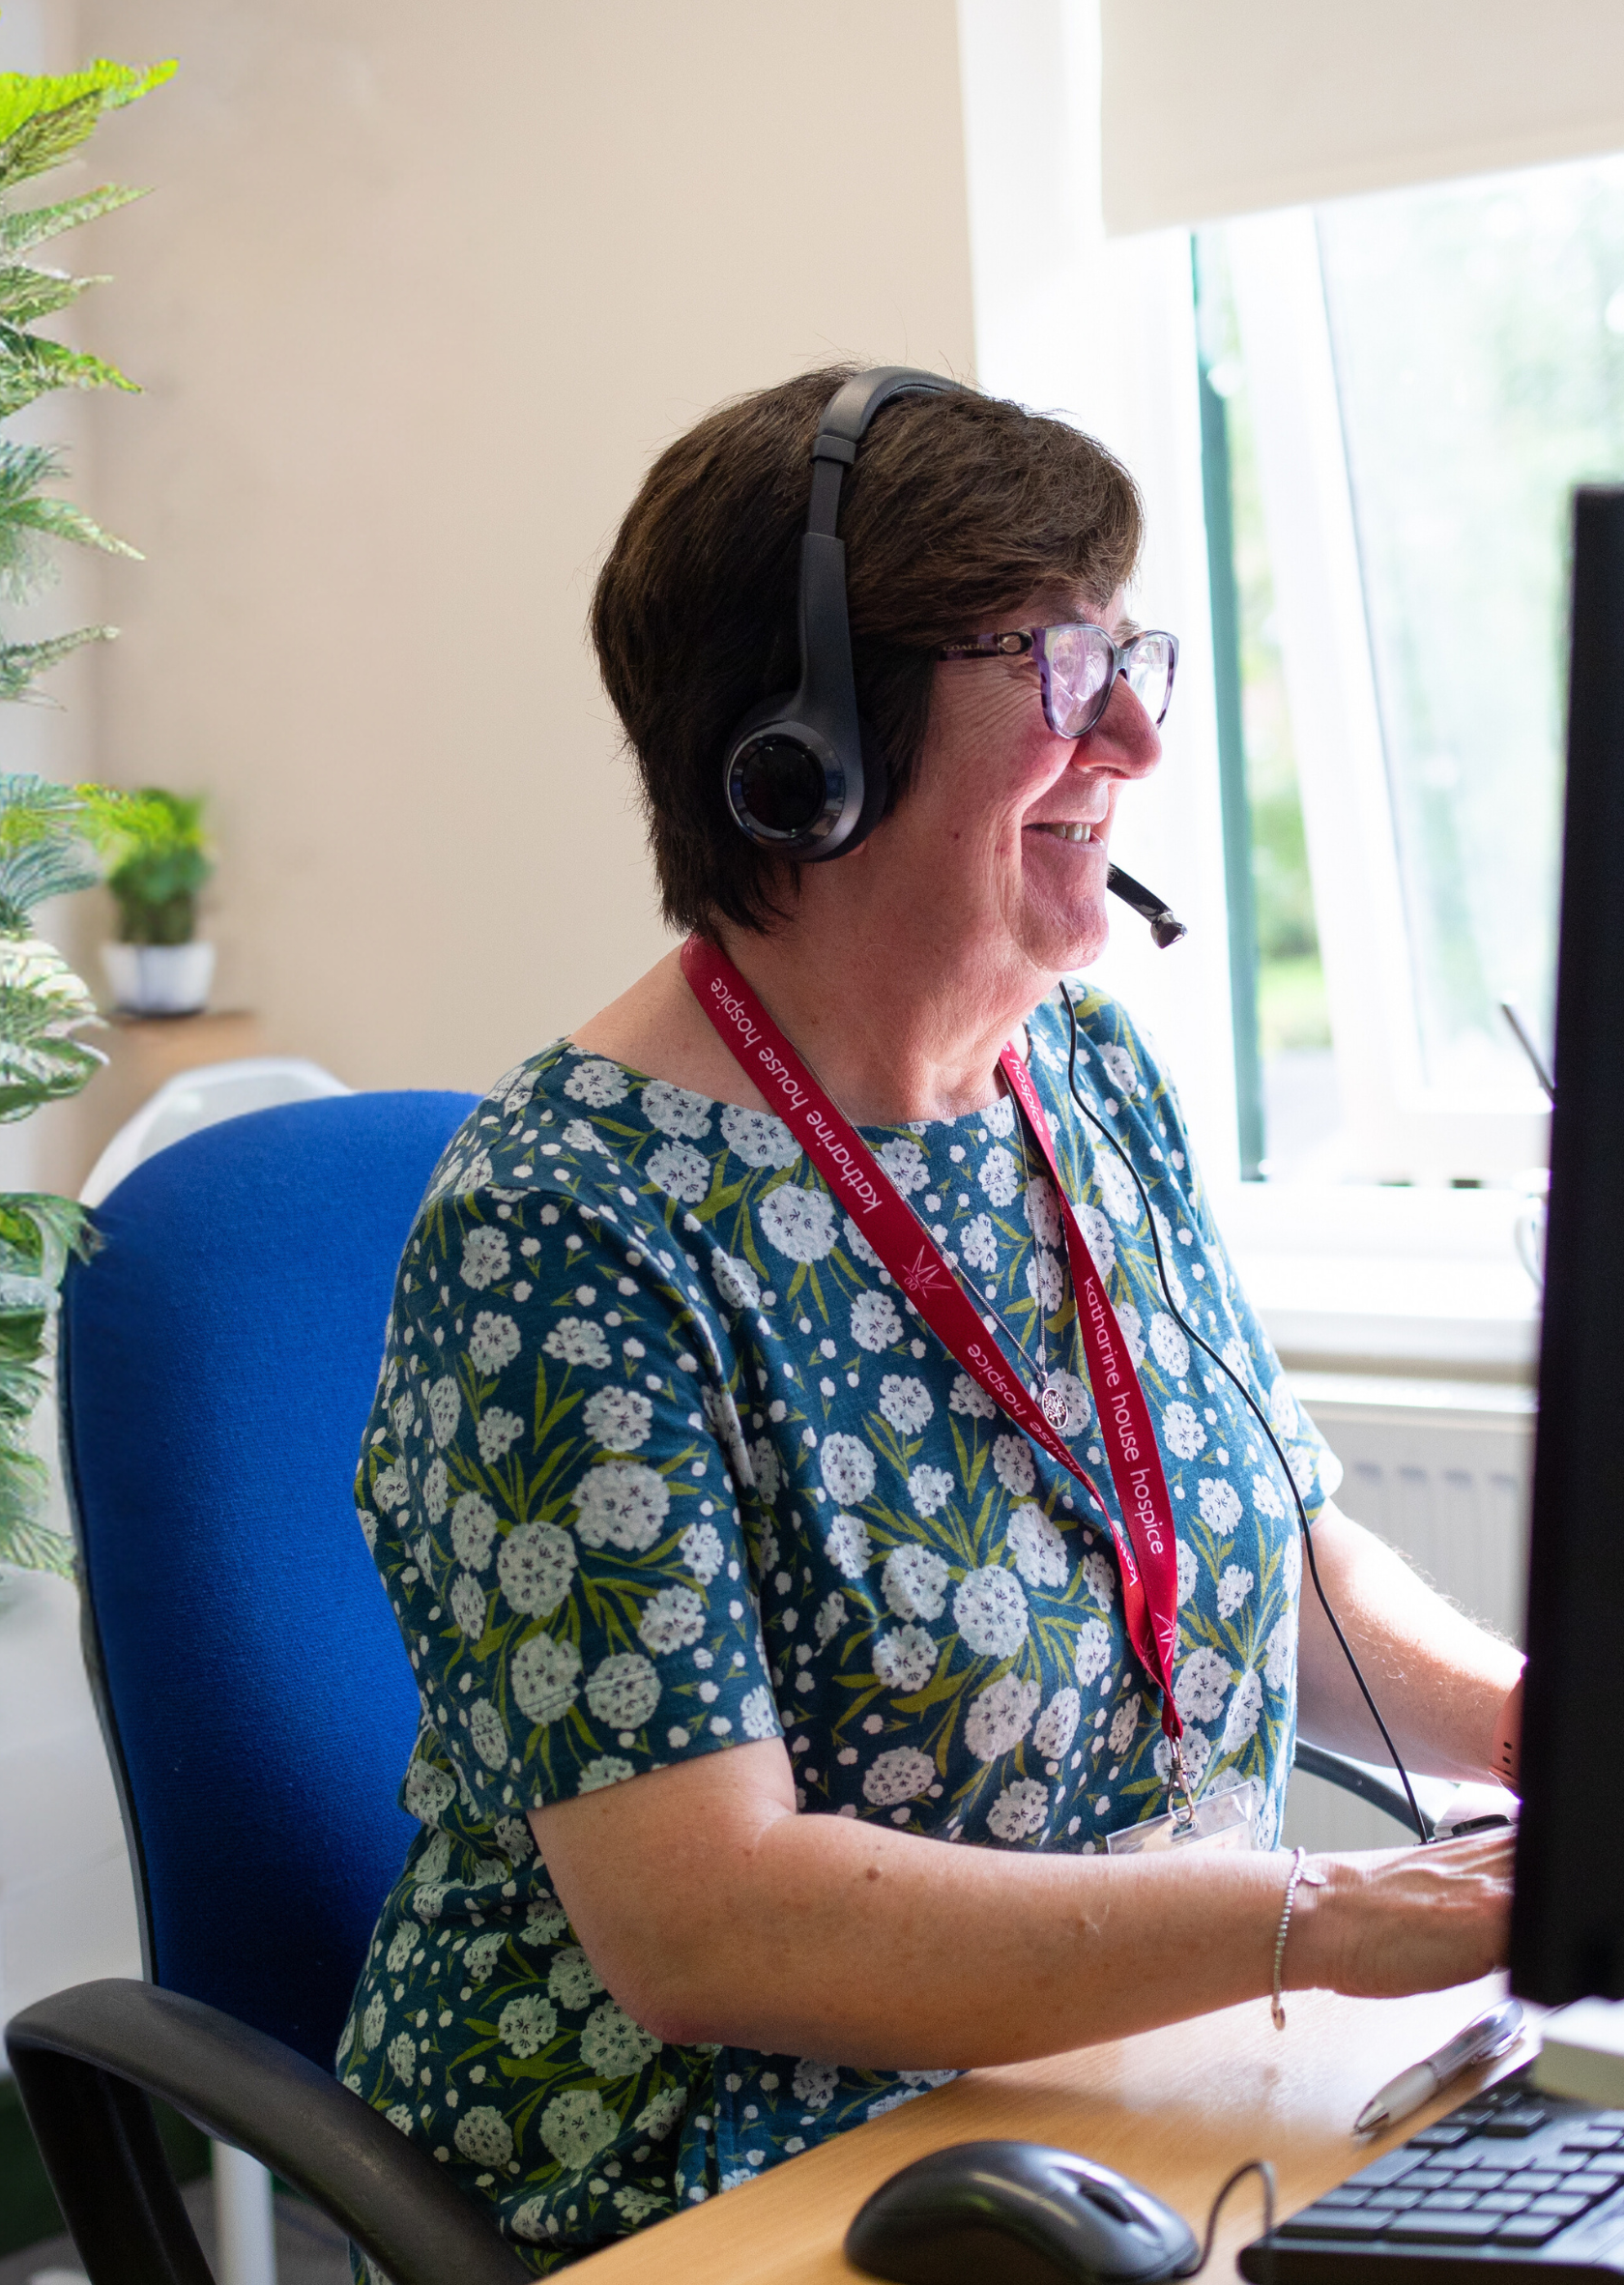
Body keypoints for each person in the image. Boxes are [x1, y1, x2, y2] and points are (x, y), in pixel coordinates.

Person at [335, 367, 1524, 2269]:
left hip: (1108, 2090)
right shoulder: (565, 1235)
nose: (1137, 727)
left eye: (1132, 649)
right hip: (711, 2178)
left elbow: (1262, 1558)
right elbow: (704, 1925)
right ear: (809, 752)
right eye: (1059, 668)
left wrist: (1561, 1735)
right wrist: (1318, 1916)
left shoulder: (1091, 1079)